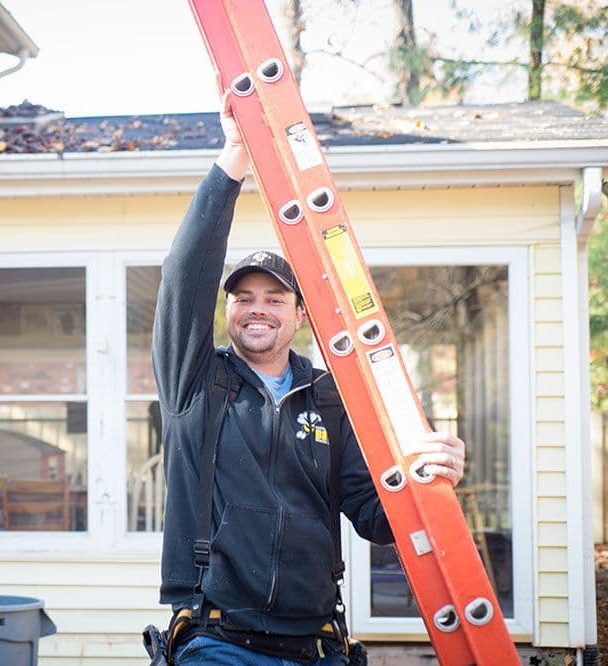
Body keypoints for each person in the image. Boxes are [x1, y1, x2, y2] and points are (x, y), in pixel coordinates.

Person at [150, 94, 467, 665]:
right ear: (226, 312)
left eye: (275, 298)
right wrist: (235, 156)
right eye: (243, 298)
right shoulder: (195, 384)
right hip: (219, 640)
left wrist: (429, 479)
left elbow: (373, 515)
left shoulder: (331, 395)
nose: (257, 309)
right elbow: (183, 272)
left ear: (300, 315)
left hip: (317, 643)